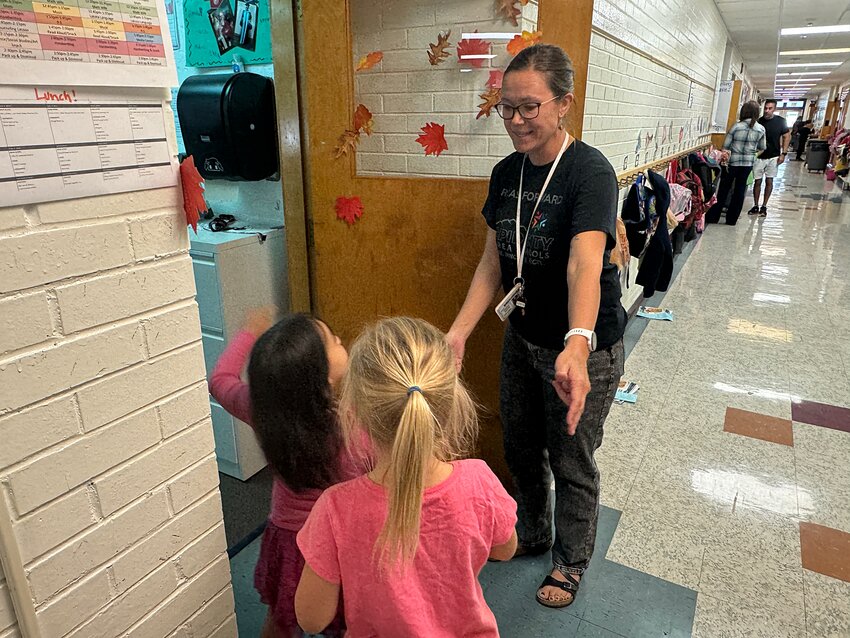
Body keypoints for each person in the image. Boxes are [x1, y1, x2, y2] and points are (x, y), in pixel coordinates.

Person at [445, 43, 626, 609]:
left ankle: (570, 560)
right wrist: (458, 332)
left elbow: (584, 262)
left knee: (571, 455)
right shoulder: (506, 173)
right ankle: (535, 529)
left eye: (530, 107)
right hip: (522, 336)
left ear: (564, 104)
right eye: (507, 108)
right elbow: (493, 261)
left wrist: (577, 341)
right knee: (522, 445)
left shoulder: (590, 172)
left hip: (582, 346)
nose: (517, 121)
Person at [295, 317, 518, 637]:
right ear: (451, 403)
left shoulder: (335, 510)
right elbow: (505, 549)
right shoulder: (479, 480)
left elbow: (311, 619)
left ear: (353, 415)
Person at [209, 309, 364, 637]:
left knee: (282, 616)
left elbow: (220, 381)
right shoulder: (353, 430)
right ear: (321, 376)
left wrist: (248, 334)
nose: (340, 340)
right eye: (333, 341)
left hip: (287, 539)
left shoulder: (262, 407)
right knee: (347, 619)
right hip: (336, 543)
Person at [706, 100, 766, 226]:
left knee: (723, 190)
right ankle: (731, 220)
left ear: (744, 111)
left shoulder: (736, 127)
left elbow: (725, 146)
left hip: (731, 163)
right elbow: (762, 147)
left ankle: (713, 217)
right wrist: (753, 155)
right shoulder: (761, 129)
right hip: (747, 164)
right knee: (739, 191)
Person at [748, 99, 790, 218]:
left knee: (769, 181)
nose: (767, 111)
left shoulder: (781, 121)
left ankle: (764, 206)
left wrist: (784, 153)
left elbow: (787, 136)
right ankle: (756, 205)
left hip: (774, 156)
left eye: (770, 108)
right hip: (759, 156)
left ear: (774, 109)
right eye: (765, 108)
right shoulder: (758, 122)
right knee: (757, 181)